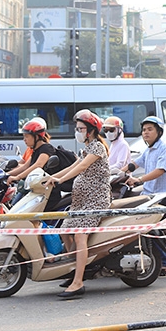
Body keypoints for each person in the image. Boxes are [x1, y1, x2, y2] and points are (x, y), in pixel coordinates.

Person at [42, 110, 110, 298]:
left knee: (80, 236)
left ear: (90, 131)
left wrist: (59, 180)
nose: (77, 132)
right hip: (80, 200)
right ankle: (76, 270)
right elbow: (74, 165)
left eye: (81, 129)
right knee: (65, 231)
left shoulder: (97, 147)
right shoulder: (87, 148)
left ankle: (78, 282)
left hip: (95, 200)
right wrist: (53, 177)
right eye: (77, 128)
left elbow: (81, 167)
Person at [125, 116, 166, 276]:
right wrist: (116, 173)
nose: (145, 133)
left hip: (159, 196)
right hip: (148, 194)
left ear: (159, 132)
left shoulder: (163, 148)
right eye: (144, 130)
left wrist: (138, 179)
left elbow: (161, 170)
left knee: (149, 228)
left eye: (150, 129)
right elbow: (135, 164)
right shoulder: (149, 149)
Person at [7, 117, 62, 209]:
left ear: (36, 136)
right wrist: (5, 175)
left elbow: (38, 165)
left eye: (27, 136)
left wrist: (17, 177)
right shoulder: (35, 150)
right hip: (36, 190)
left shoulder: (46, 148)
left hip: (48, 192)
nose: (24, 139)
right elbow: (25, 166)